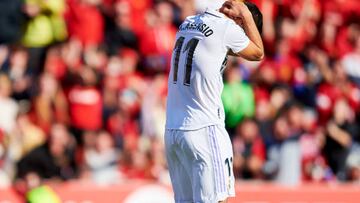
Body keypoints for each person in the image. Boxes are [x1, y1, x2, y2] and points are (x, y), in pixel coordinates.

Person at [164, 0, 264, 202]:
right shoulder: (226, 28)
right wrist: (244, 13)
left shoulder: (187, 23)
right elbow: (258, 52)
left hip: (173, 132)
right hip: (204, 129)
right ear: (239, 21)